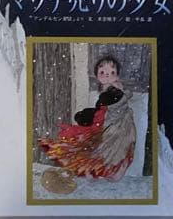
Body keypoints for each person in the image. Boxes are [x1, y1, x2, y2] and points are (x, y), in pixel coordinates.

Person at [38, 56, 137, 189]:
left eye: (112, 72)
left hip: (116, 128)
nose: (107, 75)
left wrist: (88, 116)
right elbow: (102, 110)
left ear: (117, 75)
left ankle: (102, 170)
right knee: (102, 149)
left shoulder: (114, 91)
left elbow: (108, 112)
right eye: (102, 72)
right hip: (112, 126)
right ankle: (100, 170)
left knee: (103, 148)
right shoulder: (108, 91)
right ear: (97, 74)